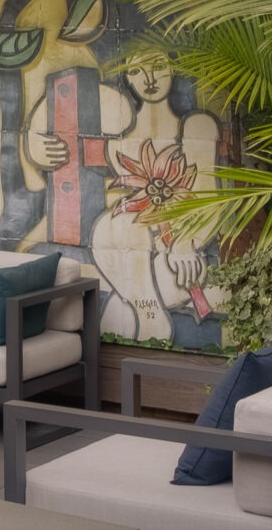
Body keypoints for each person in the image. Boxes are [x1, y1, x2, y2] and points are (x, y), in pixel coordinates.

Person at [23, 41, 220, 340]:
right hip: (132, 254)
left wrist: (186, 244)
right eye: (137, 71)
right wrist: (34, 141)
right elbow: (56, 107)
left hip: (179, 248)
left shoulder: (196, 126)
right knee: (113, 225)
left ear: (172, 68)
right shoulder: (119, 137)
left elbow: (208, 194)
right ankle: (151, 319)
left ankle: (149, 319)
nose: (149, 79)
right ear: (127, 78)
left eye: (158, 67)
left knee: (118, 305)